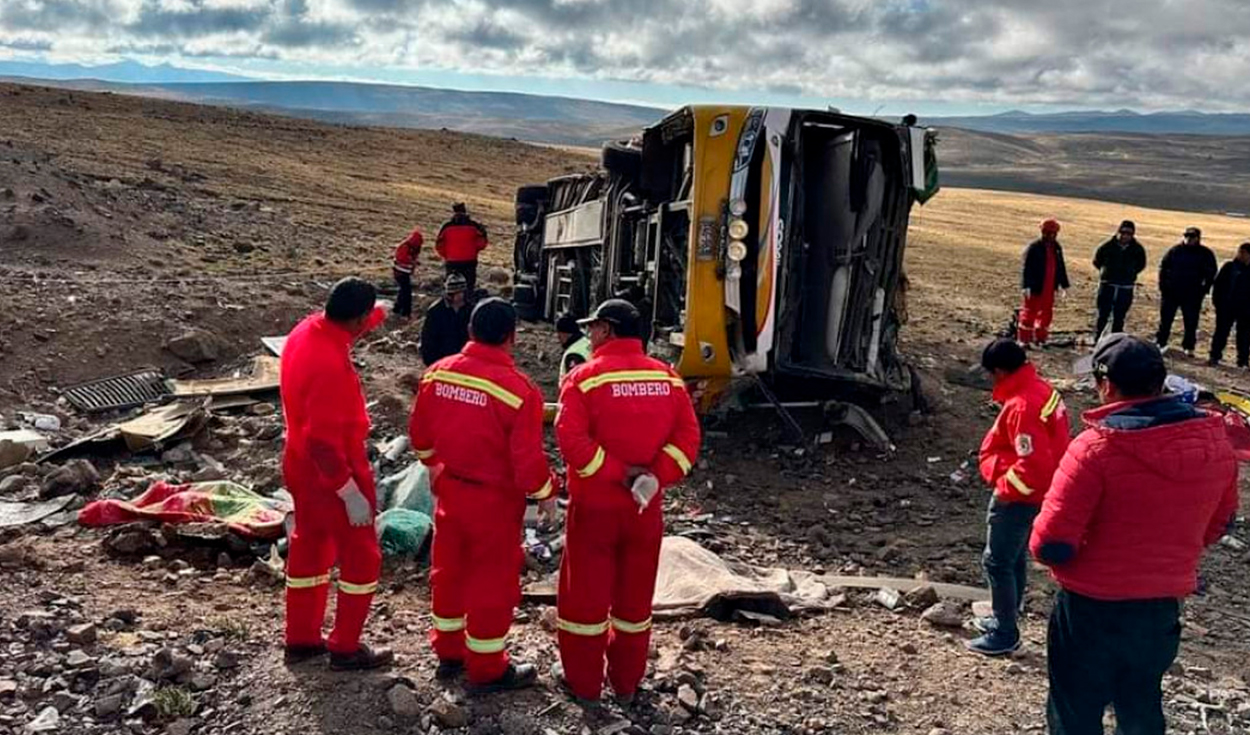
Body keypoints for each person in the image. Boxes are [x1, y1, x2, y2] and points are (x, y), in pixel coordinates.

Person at [1030, 333, 1238, 735]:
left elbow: (1050, 543)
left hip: (1091, 607)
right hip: (1159, 608)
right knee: (1141, 705)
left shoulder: (1096, 447)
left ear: (1106, 385)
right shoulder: (1216, 443)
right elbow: (1219, 525)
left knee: (1075, 711)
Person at [553, 299, 701, 704]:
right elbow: (688, 442)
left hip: (595, 511)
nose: (591, 335)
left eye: (595, 328)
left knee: (585, 600)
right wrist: (654, 476)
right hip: (644, 510)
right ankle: (626, 683)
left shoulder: (583, 379)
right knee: (634, 603)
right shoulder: (669, 380)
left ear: (608, 330)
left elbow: (573, 444)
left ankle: (584, 685)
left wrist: (620, 472)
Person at [409, 297, 557, 693]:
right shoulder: (520, 391)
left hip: (451, 492)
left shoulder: (438, 374)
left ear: (470, 331)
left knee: (448, 573)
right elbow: (527, 461)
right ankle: (488, 668)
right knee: (492, 582)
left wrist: (436, 467)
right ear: (512, 336)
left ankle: (448, 653)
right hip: (494, 501)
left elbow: (420, 437)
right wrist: (547, 493)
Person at [279, 277, 394, 671]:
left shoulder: (305, 332)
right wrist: (349, 491)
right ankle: (345, 647)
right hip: (333, 471)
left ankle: (301, 638)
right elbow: (323, 443)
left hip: (297, 463)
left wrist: (381, 314)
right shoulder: (330, 366)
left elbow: (346, 327)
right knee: (362, 555)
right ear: (358, 319)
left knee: (309, 547)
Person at [967, 339, 1070, 656]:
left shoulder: (1021, 406)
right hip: (1041, 494)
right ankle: (1007, 614)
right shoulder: (1042, 390)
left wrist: (1004, 487)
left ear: (998, 371)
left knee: (997, 561)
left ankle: (1005, 632)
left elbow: (1032, 466)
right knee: (1013, 559)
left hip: (1019, 499)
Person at [1156, 226, 1217, 357]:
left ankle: (1189, 347)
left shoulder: (1205, 254)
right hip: (1171, 292)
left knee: (1191, 322)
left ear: (1198, 238)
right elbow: (1163, 267)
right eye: (1187, 236)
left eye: (1192, 237)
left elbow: (1211, 273)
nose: (1189, 239)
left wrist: (1204, 290)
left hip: (1192, 294)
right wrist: (1163, 287)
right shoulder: (1175, 251)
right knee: (1166, 319)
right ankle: (1161, 343)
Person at [1018, 219, 1070, 347]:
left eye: (1053, 233)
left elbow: (1060, 266)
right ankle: (1024, 339)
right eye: (1048, 233)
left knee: (1046, 313)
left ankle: (1041, 338)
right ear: (1043, 232)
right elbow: (1027, 267)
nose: (1051, 236)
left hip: (1050, 286)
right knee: (1030, 312)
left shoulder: (1056, 247)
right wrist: (1026, 285)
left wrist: (1064, 284)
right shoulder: (1034, 247)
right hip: (1036, 286)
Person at [1091, 220, 1147, 338]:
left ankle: (1115, 341)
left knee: (1119, 316)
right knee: (1103, 314)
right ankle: (1098, 339)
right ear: (1118, 232)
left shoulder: (1137, 249)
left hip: (1125, 287)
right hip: (1107, 284)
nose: (1125, 235)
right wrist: (1106, 272)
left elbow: (1141, 265)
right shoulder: (1107, 246)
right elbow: (1097, 261)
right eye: (1123, 232)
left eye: (1129, 233)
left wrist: (1130, 273)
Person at [1208, 242, 1250, 369]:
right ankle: (1214, 356)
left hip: (1246, 310)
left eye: (1244, 253)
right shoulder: (1229, 267)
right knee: (1221, 332)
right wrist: (1217, 303)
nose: (1240, 255)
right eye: (1239, 252)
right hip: (1226, 307)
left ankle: (1242, 361)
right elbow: (1218, 285)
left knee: (1244, 336)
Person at [436, 202, 489, 295]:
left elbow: (439, 245)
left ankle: (452, 305)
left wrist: (447, 255)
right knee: (469, 286)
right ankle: (467, 305)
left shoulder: (447, 226)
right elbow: (482, 244)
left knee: (452, 286)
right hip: (469, 261)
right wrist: (473, 250)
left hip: (452, 261)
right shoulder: (474, 226)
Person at [419, 273, 471, 366]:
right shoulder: (436, 311)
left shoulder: (470, 309)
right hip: (441, 361)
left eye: (461, 292)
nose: (460, 296)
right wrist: (431, 363)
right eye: (457, 293)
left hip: (465, 361)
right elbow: (428, 340)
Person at [392, 227, 424, 319]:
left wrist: (413, 266)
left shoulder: (415, 248)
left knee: (403, 291)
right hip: (399, 272)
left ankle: (397, 309)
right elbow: (402, 258)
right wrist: (411, 262)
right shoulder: (404, 247)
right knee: (406, 292)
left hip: (406, 272)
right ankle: (406, 312)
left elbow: (413, 259)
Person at [555, 313, 592, 383]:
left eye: (559, 335)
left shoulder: (573, 353)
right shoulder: (586, 342)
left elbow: (573, 382)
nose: (558, 339)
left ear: (563, 334)